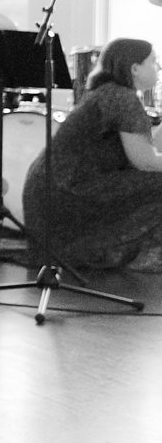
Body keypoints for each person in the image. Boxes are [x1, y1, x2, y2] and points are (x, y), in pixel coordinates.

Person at [22, 36, 162, 274]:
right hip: (69, 191)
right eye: (153, 61)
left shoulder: (110, 93)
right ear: (135, 68)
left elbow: (146, 150)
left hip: (50, 191)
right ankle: (141, 257)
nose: (158, 67)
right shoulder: (122, 98)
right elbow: (146, 162)